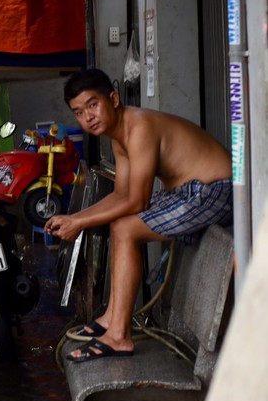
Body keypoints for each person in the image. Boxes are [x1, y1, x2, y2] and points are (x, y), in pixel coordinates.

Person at [45, 68, 233, 363]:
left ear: (114, 99)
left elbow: (137, 200)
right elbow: (121, 195)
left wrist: (79, 223)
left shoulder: (140, 127)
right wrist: (76, 218)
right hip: (188, 193)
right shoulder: (118, 136)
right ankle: (111, 319)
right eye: (79, 112)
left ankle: (119, 335)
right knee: (121, 224)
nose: (88, 117)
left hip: (215, 190)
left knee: (125, 228)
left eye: (93, 104)